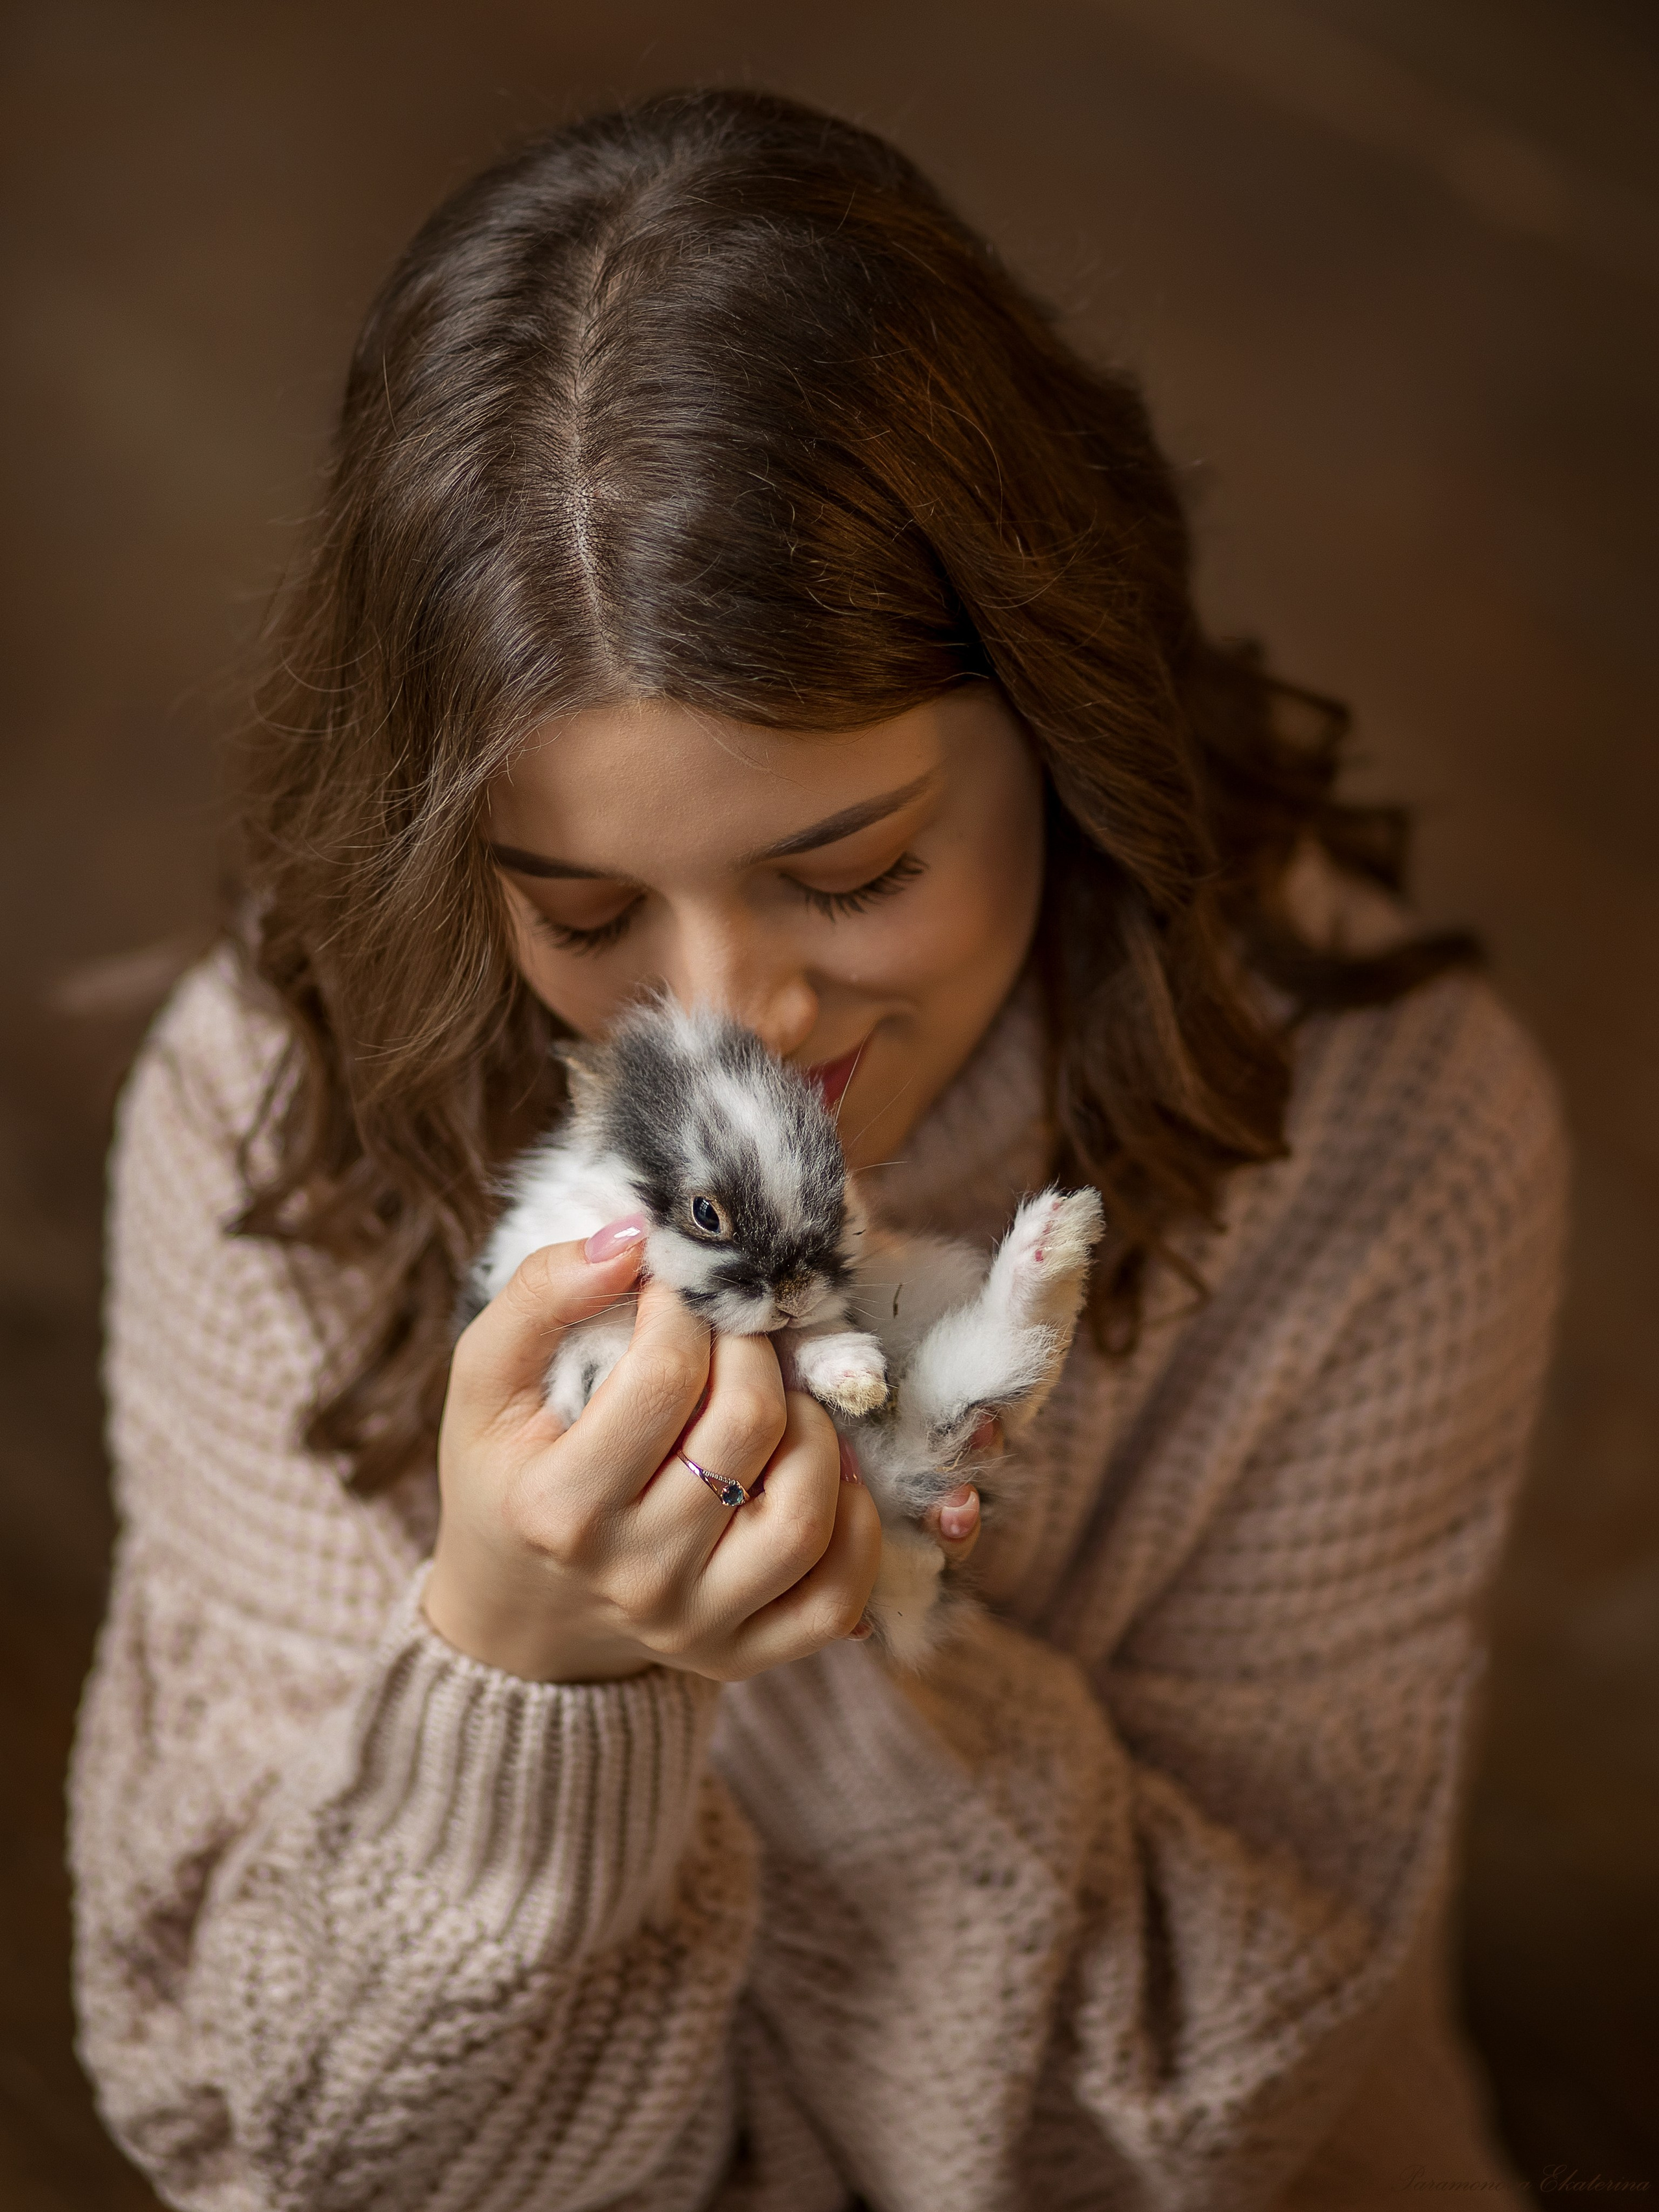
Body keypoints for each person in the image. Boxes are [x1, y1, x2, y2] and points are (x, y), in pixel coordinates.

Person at [69, 87, 1567, 2211]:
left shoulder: (1387, 1136)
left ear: (1066, 715)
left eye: (851, 873)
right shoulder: (276, 1109)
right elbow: (296, 2146)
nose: (723, 1023)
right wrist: (525, 1680)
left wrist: (836, 1638)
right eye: (585, 916)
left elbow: (1189, 2120)